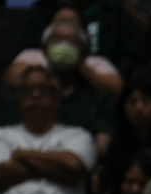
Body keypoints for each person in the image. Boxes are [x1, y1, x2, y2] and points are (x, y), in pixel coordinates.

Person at [0, 66, 94, 194]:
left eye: (44, 89)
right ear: (19, 98)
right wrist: (56, 169)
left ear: (57, 99)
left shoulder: (78, 136)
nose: (35, 94)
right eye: (28, 89)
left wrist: (22, 155)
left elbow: (74, 168)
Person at [7, 10, 120, 150]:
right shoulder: (31, 90)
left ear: (83, 50)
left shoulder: (97, 95)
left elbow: (102, 140)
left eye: (71, 41)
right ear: (44, 48)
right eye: (57, 39)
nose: (63, 45)